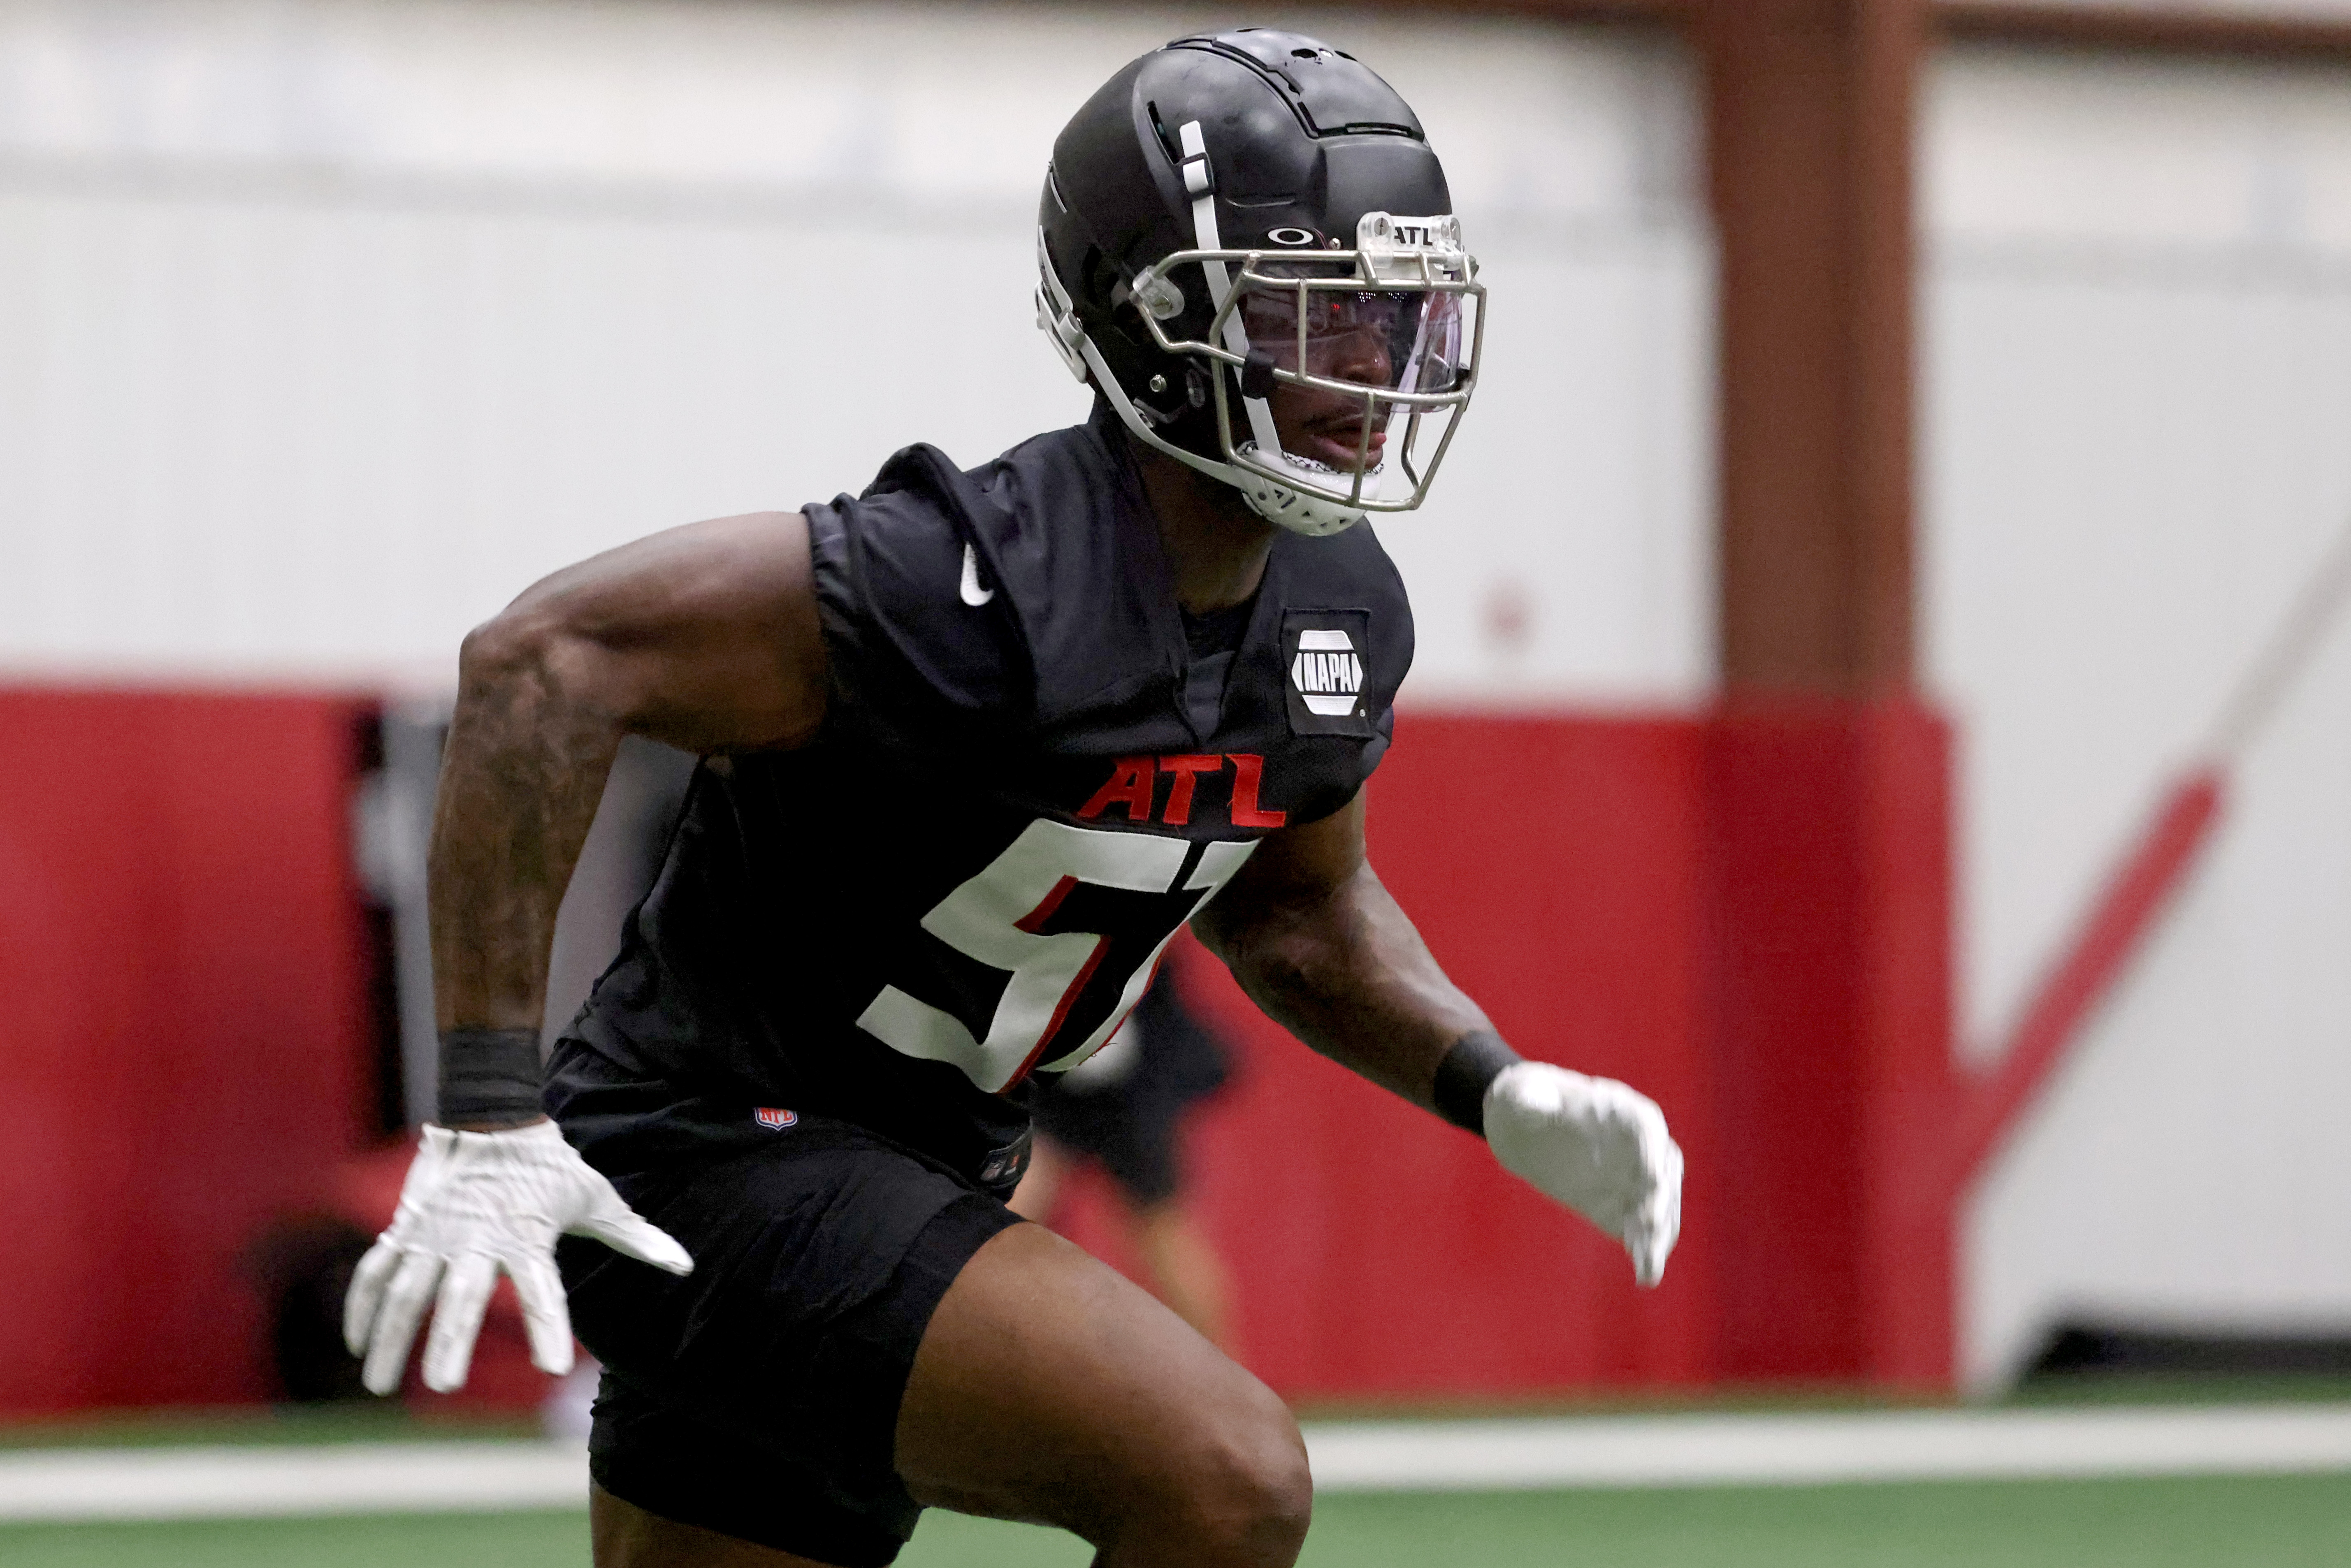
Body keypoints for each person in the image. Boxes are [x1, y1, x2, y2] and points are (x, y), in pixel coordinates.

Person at [341, 28, 1683, 1568]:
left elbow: (1300, 914)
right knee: (1227, 1477)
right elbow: (538, 659)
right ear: (1157, 322)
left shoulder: (1335, 607)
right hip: (712, 1152)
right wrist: (489, 1106)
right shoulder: (958, 578)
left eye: (1389, 314)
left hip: (904, 1168)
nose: (1371, 365)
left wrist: (1487, 1082)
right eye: (1315, 314)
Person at [1011, 960, 1239, 1352]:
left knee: (1164, 1235)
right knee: (1004, 1223)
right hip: (1053, 1089)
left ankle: (1229, 1372)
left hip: (1129, 1097)